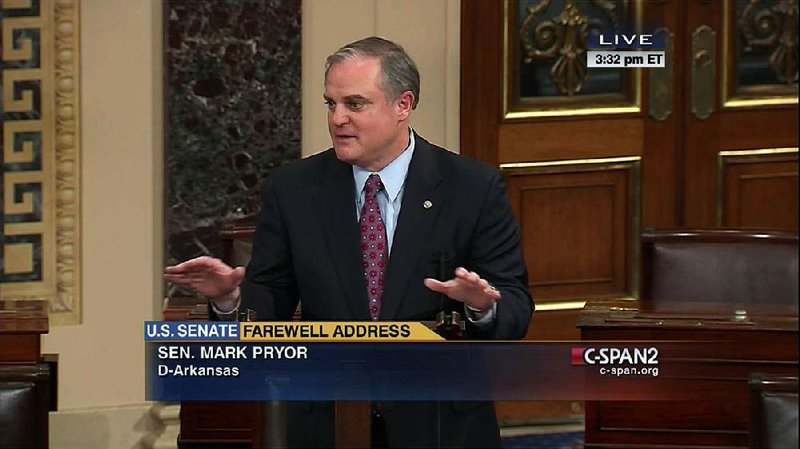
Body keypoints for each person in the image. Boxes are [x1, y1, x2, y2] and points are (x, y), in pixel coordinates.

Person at [164, 36, 533, 448]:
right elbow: (267, 309)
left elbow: (516, 308)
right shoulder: (295, 190)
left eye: (354, 104)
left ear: (403, 106)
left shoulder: (472, 187)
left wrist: (481, 306)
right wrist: (230, 300)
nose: (338, 118)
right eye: (331, 104)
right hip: (326, 423)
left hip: (440, 425)